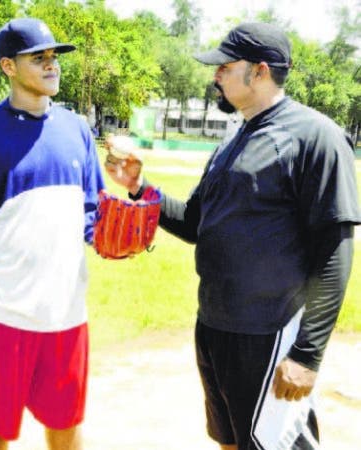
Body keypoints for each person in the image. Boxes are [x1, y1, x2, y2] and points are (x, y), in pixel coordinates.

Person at [105, 22, 361, 450]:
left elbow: (335, 251)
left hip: (269, 332)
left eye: (225, 67)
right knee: (230, 442)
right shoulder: (234, 139)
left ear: (259, 71)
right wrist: (140, 188)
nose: (215, 76)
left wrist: (307, 354)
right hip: (215, 326)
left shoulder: (315, 137)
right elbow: (194, 222)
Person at [0, 18, 105, 450]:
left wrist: (115, 233)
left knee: (66, 424)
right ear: (8, 66)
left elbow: (92, 215)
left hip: (66, 314)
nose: (52, 65)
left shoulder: (76, 131)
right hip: (0, 316)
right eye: (39, 57)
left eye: (54, 56)